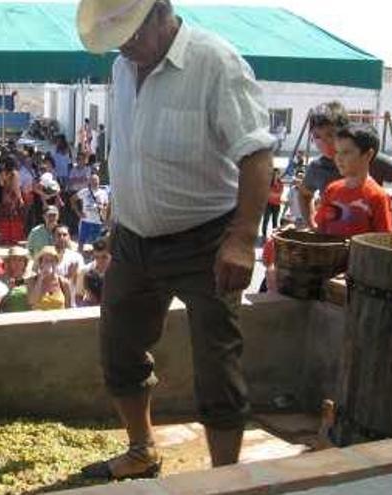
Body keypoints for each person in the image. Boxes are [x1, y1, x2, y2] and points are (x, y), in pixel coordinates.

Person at [77, 0, 277, 478]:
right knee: (119, 346)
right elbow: (131, 147)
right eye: (115, 36)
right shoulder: (124, 68)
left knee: (217, 361)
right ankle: (142, 449)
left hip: (206, 240)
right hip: (132, 239)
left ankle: (224, 476)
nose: (123, 45)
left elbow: (257, 154)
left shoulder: (216, 62)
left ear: (161, 13)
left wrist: (242, 239)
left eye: (131, 33)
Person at [298, 102, 392, 229]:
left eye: (330, 134)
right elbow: (304, 194)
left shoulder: (368, 158)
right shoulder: (318, 170)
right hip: (334, 243)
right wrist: (311, 223)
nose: (324, 142)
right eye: (317, 136)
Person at [315, 125, 392, 237]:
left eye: (346, 152)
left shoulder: (378, 197)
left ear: (368, 155)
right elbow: (321, 228)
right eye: (337, 152)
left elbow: (385, 240)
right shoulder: (332, 189)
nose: (339, 158)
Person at [27, 246, 71, 311]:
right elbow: (32, 301)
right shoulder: (32, 281)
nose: (49, 264)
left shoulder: (64, 283)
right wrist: (40, 278)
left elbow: (68, 307)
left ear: (56, 263)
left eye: (52, 261)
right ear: (41, 263)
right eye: (46, 261)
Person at [74, 172, 110, 248]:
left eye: (96, 180)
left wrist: (104, 213)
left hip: (98, 221)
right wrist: (78, 212)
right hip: (86, 221)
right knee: (81, 241)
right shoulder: (84, 191)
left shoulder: (103, 193)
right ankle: (80, 256)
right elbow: (72, 199)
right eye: (92, 180)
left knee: (96, 242)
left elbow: (106, 205)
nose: (94, 182)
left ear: (99, 181)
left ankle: (94, 257)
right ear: (89, 181)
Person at [0, 156, 25, 245]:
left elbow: (1, 184)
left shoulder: (2, 173)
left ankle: (4, 237)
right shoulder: (15, 173)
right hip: (13, 197)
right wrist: (20, 198)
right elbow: (16, 187)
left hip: (5, 196)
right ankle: (13, 237)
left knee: (4, 217)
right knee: (14, 217)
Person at [76, 236, 111, 306]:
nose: (100, 261)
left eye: (104, 257)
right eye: (97, 257)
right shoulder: (85, 271)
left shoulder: (117, 272)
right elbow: (78, 297)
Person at [0, 247, 31, 313]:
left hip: (28, 316)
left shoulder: (31, 277)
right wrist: (8, 290)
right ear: (9, 262)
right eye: (14, 260)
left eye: (20, 260)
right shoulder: (1, 279)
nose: (17, 263)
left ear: (25, 262)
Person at [262, 168, 283, 240]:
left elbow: (279, 194)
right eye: (274, 174)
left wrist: (272, 193)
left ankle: (274, 236)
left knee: (275, 221)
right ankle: (264, 235)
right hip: (268, 204)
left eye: (277, 174)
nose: (276, 175)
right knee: (266, 220)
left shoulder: (280, 183)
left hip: (276, 205)